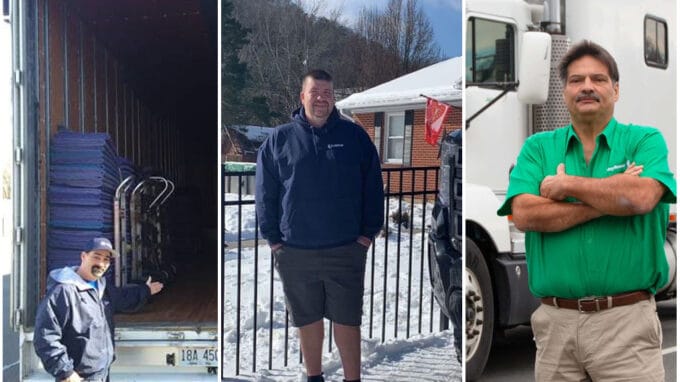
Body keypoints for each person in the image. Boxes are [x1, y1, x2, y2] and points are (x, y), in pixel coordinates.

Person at [497, 40, 676, 381]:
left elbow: (640, 197)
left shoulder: (645, 140)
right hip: (555, 325)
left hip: (627, 324)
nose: (587, 87)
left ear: (616, 89)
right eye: (577, 80)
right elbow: (524, 213)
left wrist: (566, 187)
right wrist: (606, 202)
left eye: (598, 78)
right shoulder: (538, 148)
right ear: (564, 91)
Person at [256, 69, 384, 382]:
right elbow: (265, 194)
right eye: (315, 92)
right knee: (307, 319)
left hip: (346, 248)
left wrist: (367, 234)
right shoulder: (279, 140)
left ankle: (352, 379)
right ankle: (314, 377)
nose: (321, 98)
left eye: (327, 92)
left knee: (347, 319)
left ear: (333, 97)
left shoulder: (354, 137)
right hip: (296, 251)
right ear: (302, 97)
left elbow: (373, 187)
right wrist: (274, 240)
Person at [34, 237, 164, 382]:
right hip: (78, 377)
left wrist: (145, 290)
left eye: (106, 260)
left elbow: (122, 299)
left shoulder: (102, 288)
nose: (101, 263)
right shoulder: (64, 292)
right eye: (96, 257)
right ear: (83, 256)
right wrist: (66, 373)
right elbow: (45, 337)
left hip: (101, 374)